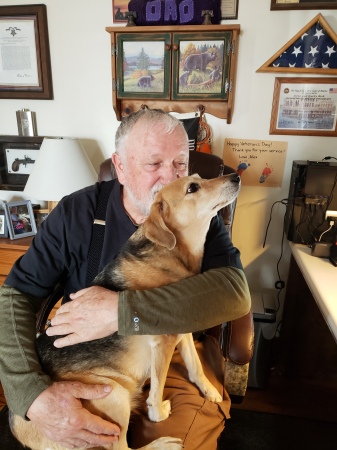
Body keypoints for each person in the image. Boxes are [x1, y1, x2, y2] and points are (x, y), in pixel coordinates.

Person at [0, 108, 251, 449]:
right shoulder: (76, 212)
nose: (169, 178)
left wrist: (121, 311)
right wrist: (30, 392)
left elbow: (234, 294)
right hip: (86, 360)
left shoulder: (199, 215)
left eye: (179, 163)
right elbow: (15, 297)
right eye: (153, 164)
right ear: (119, 166)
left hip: (173, 355)